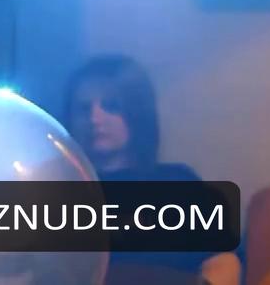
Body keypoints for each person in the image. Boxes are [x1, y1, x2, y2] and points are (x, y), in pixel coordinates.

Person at [64, 55, 241, 285]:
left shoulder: (179, 184)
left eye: (111, 106)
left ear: (137, 112)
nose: (94, 118)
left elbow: (224, 261)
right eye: (83, 108)